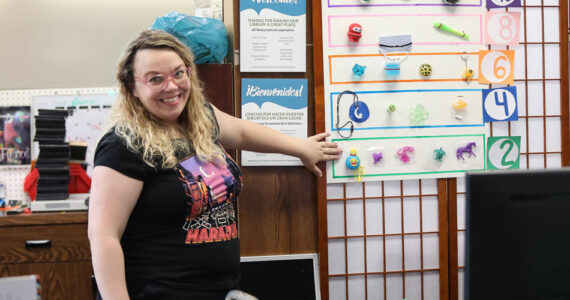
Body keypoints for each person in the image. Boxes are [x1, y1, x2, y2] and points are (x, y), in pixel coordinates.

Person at [87, 29, 342, 300]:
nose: (171, 86)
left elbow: (243, 133)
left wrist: (300, 147)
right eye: (155, 79)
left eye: (178, 73)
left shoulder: (199, 119)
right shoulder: (124, 145)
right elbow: (104, 237)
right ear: (132, 88)